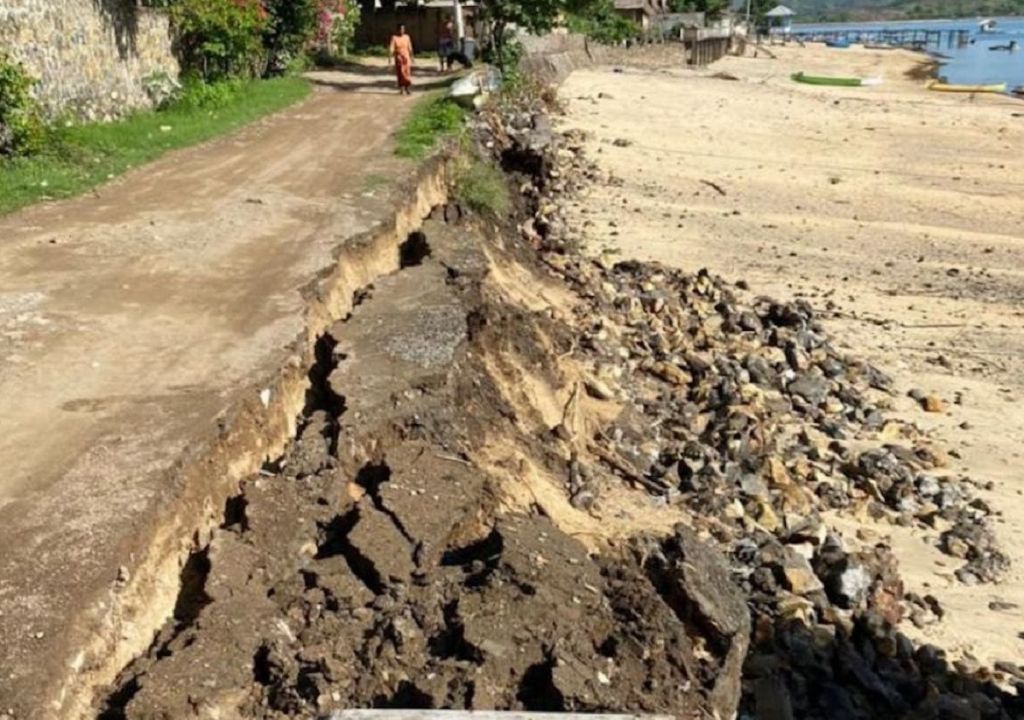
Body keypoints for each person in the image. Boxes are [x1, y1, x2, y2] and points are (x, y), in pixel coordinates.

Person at [389, 23, 414, 95]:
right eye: (400, 29)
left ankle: (407, 88)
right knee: (400, 72)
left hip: (406, 57)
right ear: (397, 30)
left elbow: (410, 48)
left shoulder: (407, 37)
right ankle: (402, 88)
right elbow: (391, 48)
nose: (402, 31)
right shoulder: (394, 37)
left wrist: (412, 57)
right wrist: (390, 58)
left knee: (407, 72)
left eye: (403, 29)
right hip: (399, 58)